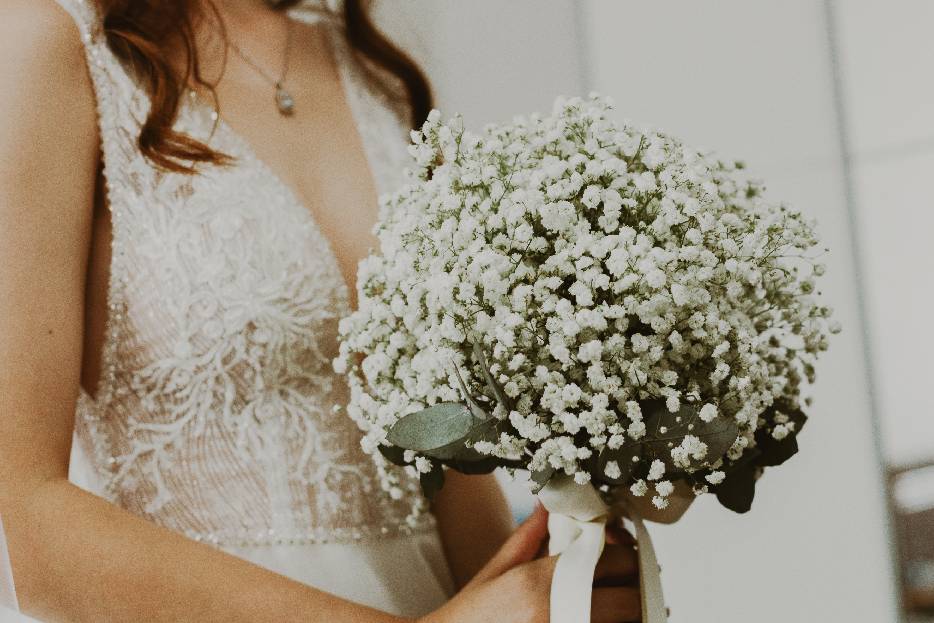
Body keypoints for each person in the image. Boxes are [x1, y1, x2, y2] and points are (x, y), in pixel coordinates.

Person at [0, 1, 642, 620]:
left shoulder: (376, 73)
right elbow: (24, 527)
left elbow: (441, 455)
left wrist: (552, 582)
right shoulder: (48, 45)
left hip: (424, 590)